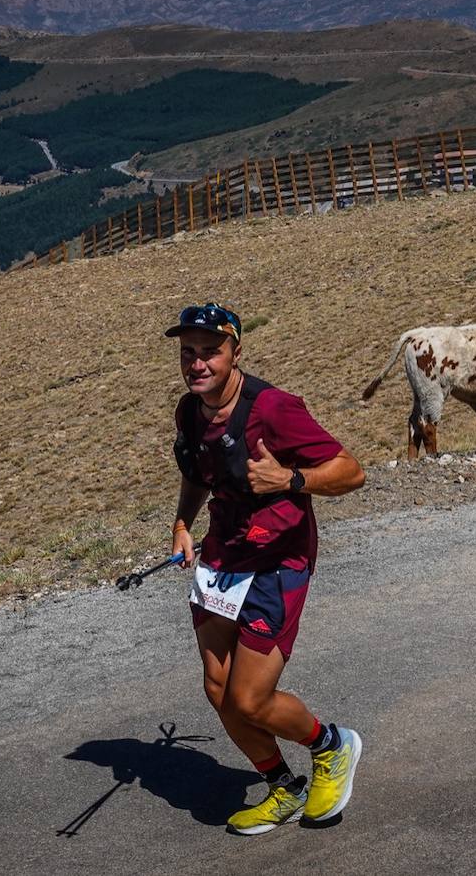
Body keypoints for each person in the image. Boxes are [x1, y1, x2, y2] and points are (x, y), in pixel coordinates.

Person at [164, 302, 366, 835]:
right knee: (217, 687)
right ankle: (284, 788)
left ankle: (331, 746)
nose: (198, 363)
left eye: (211, 352)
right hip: (223, 556)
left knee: (249, 698)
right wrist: (183, 525)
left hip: (279, 559)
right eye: (189, 353)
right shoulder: (190, 411)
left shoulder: (273, 408)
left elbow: (351, 471)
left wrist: (292, 481)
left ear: (235, 352)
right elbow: (198, 476)